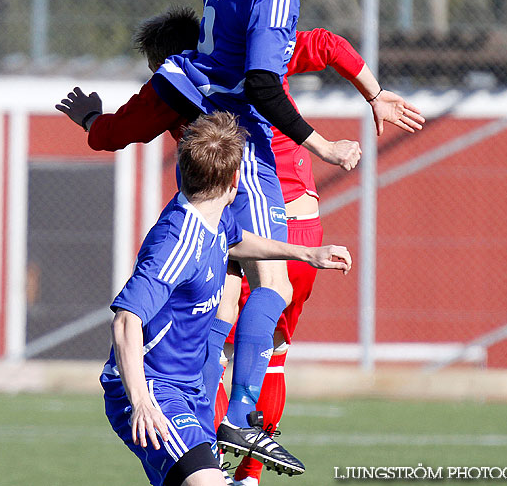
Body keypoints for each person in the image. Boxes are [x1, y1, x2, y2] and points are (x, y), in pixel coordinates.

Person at [57, 6, 424, 484]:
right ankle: (243, 470)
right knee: (265, 347)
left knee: (221, 328)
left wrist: (89, 119)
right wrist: (373, 95)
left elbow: (112, 134)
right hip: (295, 220)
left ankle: (230, 437)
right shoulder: (255, 51)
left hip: (243, 208)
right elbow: (330, 45)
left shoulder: (172, 83)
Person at [148, 0, 362, 469]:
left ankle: (217, 415)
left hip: (223, 138)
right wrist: (323, 146)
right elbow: (265, 85)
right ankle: (238, 419)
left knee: (235, 292)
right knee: (272, 285)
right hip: (248, 148)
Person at [100, 111, 352, 486]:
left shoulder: (214, 216)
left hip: (190, 390)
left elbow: (238, 242)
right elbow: (125, 320)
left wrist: (305, 254)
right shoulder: (175, 243)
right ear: (236, 183)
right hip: (154, 389)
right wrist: (141, 401)